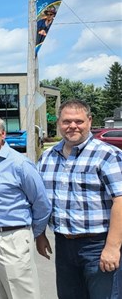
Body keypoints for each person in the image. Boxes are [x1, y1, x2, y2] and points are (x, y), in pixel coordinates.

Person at [36, 99, 122, 299]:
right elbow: (40, 201)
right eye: (66, 121)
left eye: (78, 121)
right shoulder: (48, 157)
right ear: (58, 123)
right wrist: (39, 234)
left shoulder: (107, 155)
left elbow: (120, 200)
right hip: (63, 245)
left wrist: (112, 247)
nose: (72, 126)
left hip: (98, 245)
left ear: (89, 121)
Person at [0, 114, 51, 298]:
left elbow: (41, 204)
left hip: (11, 238)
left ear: (3, 134)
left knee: (21, 294)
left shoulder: (20, 164)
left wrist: (35, 233)